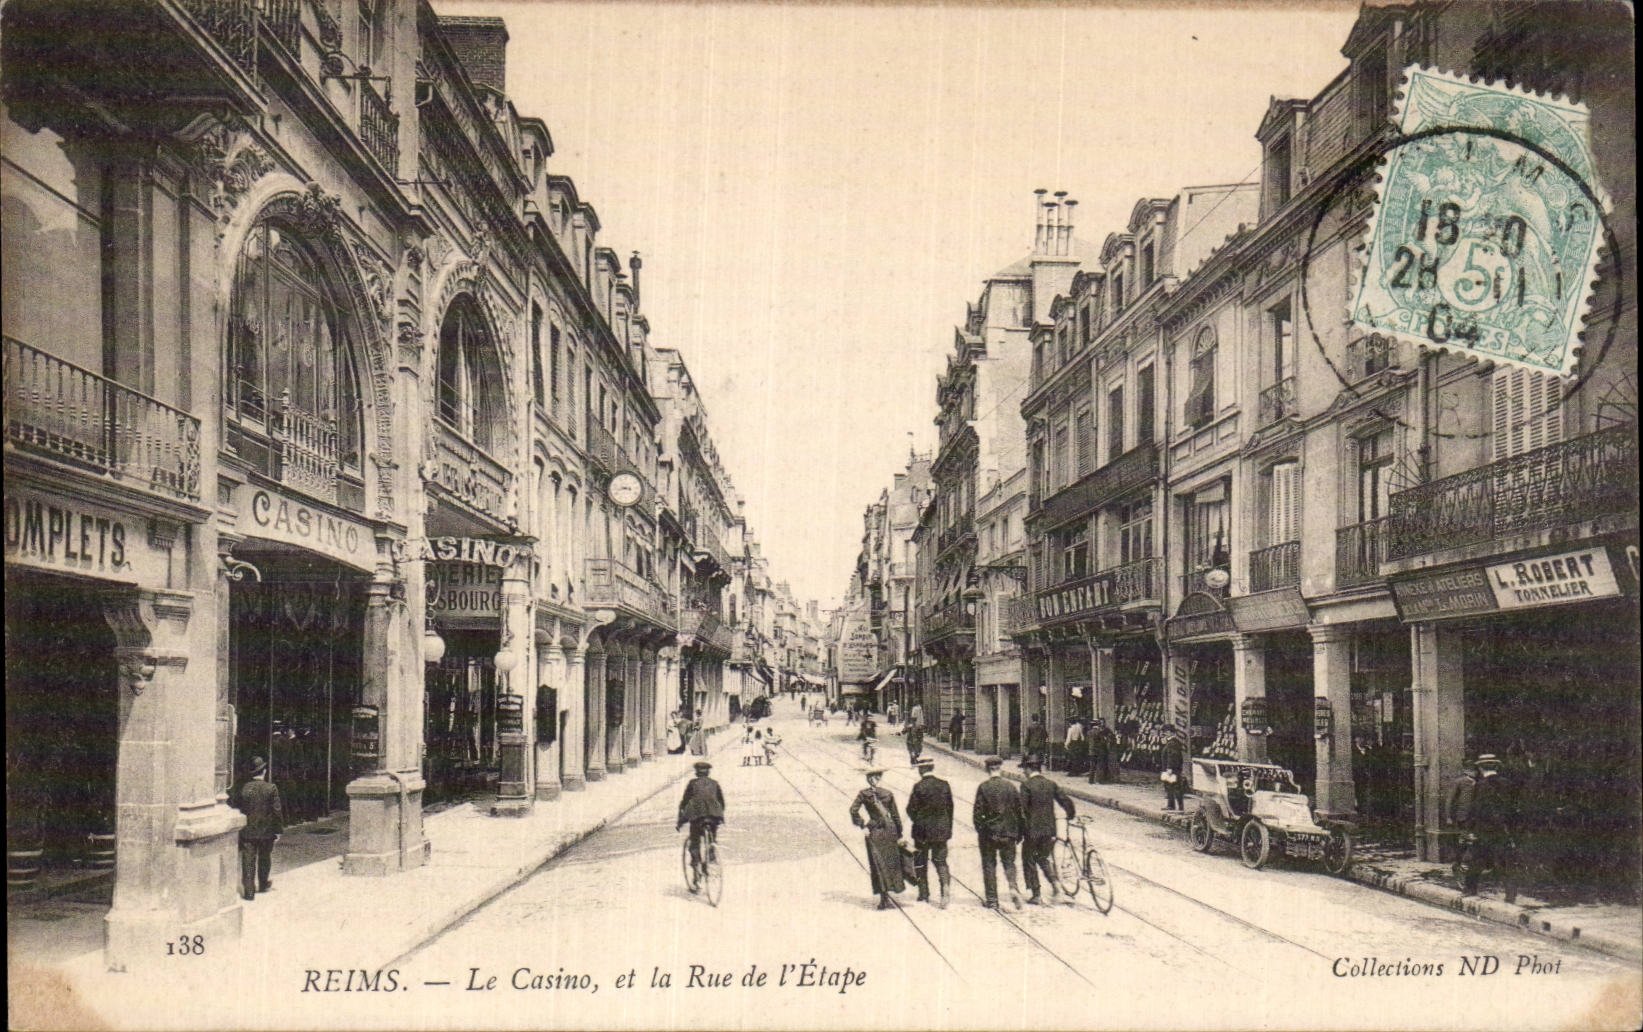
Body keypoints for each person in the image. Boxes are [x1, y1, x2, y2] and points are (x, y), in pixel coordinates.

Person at [1463, 754, 1519, 902]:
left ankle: (1470, 890)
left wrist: (1469, 829)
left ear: (1481, 768)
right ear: (1496, 767)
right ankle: (1511, 895)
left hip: (1483, 829)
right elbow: (1513, 808)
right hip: (1502, 829)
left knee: (1476, 860)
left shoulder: (1479, 785)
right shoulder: (1508, 784)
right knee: (1505, 862)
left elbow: (1474, 809)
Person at [1020, 757, 1075, 905]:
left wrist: (1020, 830)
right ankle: (1056, 886)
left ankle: (1036, 894)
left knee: (1029, 859)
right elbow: (1065, 800)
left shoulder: (1026, 785)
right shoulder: (1050, 784)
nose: (1024, 772)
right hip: (1049, 830)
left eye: (1024, 769)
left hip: (1032, 831)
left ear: (1029, 769)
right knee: (1043, 858)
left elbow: (1022, 810)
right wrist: (1070, 815)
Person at [972, 755, 1025, 910]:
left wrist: (981, 830)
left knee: (989, 864)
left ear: (987, 769)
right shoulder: (1010, 786)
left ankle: (992, 899)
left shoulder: (984, 787)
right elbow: (1020, 812)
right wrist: (1019, 833)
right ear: (1000, 768)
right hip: (1009, 832)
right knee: (1009, 863)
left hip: (989, 833)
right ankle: (1013, 887)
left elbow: (977, 813)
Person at [849, 769, 905, 909]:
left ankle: (883, 898)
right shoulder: (887, 793)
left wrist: (862, 825)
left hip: (874, 830)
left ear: (869, 779)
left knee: (877, 865)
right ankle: (891, 893)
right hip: (889, 830)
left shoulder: (864, 794)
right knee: (890, 862)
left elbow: (853, 810)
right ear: (880, 778)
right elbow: (896, 816)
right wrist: (899, 834)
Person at [232, 755, 284, 902]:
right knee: (265, 857)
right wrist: (278, 829)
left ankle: (249, 891)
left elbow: (238, 808)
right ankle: (263, 883)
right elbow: (277, 811)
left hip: (248, 830)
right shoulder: (271, 788)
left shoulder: (244, 788)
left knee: (248, 859)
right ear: (264, 771)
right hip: (266, 831)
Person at [905, 757, 953, 907]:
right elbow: (950, 808)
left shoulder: (918, 787)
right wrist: (946, 827)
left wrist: (919, 821)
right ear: (932, 768)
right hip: (941, 832)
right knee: (940, 861)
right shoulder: (944, 785)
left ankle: (923, 894)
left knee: (920, 862)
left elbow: (910, 809)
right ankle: (945, 888)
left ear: (921, 770)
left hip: (922, 832)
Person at [677, 760, 725, 888]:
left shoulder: (692, 784)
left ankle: (696, 865)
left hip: (698, 818)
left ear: (697, 773)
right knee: (712, 837)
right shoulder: (715, 784)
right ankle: (711, 852)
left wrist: (680, 820)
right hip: (713, 818)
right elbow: (721, 802)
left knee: (694, 842)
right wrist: (719, 816)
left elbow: (684, 802)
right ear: (708, 773)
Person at [1161, 733, 1188, 811]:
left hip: (1172, 770)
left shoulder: (1172, 744)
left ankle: (1180, 807)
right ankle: (1171, 805)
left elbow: (1171, 756)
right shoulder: (1173, 743)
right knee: (1170, 787)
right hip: (1173, 769)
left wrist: (1169, 767)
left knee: (1175, 787)